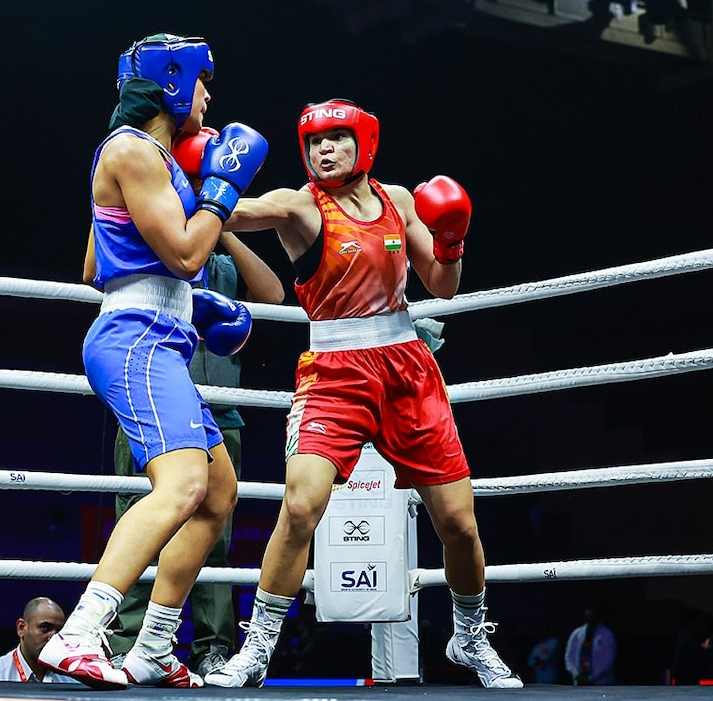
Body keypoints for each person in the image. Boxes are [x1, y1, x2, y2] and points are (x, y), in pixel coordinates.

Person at [201, 98, 522, 689]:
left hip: (407, 369)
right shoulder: (299, 206)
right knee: (300, 506)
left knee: (459, 524)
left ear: (364, 144)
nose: (323, 150)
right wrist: (202, 173)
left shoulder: (400, 202)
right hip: (334, 370)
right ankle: (258, 646)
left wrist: (451, 240)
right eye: (314, 142)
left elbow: (443, 287)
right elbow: (230, 213)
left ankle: (470, 636)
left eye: (336, 140)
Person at [39, 32, 268, 690]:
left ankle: (154, 647)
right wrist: (220, 190)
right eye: (203, 82)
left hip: (154, 333)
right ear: (173, 81)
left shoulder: (147, 160)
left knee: (217, 491)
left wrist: (182, 307)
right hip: (135, 341)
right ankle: (80, 633)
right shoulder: (135, 151)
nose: (208, 96)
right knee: (181, 487)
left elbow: (93, 267)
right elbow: (191, 256)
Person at [108, 226, 284, 677]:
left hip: (219, 414)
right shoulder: (146, 258)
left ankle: (212, 646)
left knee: (215, 533)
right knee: (141, 520)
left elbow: (273, 294)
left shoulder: (222, 268)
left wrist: (224, 232)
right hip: (148, 405)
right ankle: (126, 642)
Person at [0, 597, 80, 683]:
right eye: (45, 627)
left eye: (59, 631)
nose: (53, 637)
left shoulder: (73, 678)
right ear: (21, 628)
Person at [564, 600, 617, 685]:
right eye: (589, 610)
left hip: (601, 683)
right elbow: (569, 657)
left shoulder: (607, 634)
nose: (591, 613)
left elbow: (608, 661)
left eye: (594, 611)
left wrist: (592, 678)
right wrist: (576, 674)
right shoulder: (577, 633)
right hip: (579, 682)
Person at [526, 618, 562, 684]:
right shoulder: (537, 646)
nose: (541, 631)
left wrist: (537, 660)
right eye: (540, 629)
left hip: (550, 677)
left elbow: (545, 659)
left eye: (543, 629)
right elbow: (530, 663)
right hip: (538, 679)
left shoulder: (554, 642)